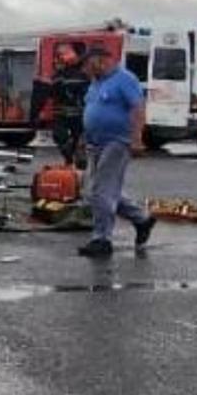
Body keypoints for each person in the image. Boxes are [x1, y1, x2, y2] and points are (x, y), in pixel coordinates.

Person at [77, 44, 156, 258]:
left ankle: (102, 239)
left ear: (98, 60)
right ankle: (142, 219)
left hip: (117, 142)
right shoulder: (96, 83)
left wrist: (137, 139)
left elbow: (138, 108)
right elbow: (91, 110)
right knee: (93, 191)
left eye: (85, 65)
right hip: (96, 143)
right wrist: (84, 139)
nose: (84, 70)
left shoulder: (125, 79)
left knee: (102, 191)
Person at [51, 43, 90, 167]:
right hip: (61, 112)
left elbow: (88, 92)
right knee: (59, 136)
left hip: (79, 112)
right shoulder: (58, 74)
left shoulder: (84, 73)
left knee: (78, 138)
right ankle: (69, 158)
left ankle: (79, 160)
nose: (62, 57)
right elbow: (53, 92)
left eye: (65, 53)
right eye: (60, 54)